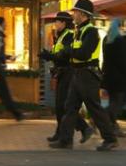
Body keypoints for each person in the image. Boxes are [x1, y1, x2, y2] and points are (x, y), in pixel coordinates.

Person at [49, 0, 118, 151]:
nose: (73, 14)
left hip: (87, 74)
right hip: (78, 73)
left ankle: (110, 138)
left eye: (76, 12)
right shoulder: (79, 31)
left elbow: (84, 53)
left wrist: (68, 51)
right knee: (70, 106)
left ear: (83, 14)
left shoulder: (91, 32)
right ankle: (65, 140)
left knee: (94, 107)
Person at [39, 11, 93, 143]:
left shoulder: (68, 35)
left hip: (68, 73)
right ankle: (61, 133)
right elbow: (59, 53)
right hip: (62, 72)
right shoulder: (61, 35)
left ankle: (83, 128)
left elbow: (66, 54)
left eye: (57, 21)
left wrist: (51, 56)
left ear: (63, 23)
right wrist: (49, 55)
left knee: (63, 105)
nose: (55, 24)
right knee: (61, 106)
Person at [101, 19, 126, 138]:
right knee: (117, 103)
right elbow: (122, 61)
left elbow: (106, 59)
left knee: (113, 101)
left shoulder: (106, 39)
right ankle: (100, 118)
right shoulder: (119, 40)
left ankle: (114, 127)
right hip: (118, 77)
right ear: (120, 27)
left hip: (108, 75)